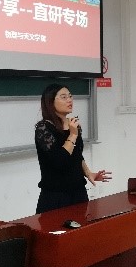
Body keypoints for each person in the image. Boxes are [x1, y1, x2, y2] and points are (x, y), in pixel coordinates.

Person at [34, 83, 111, 214]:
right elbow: (59, 161)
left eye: (70, 96)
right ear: (50, 102)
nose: (69, 100)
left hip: (78, 193)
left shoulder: (73, 125)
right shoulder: (44, 128)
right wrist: (73, 135)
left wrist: (88, 173)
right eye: (63, 97)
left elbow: (77, 155)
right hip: (56, 196)